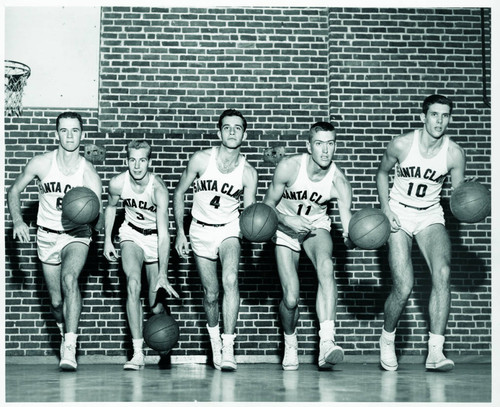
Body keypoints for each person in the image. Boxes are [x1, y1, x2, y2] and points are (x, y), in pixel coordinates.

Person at [376, 94, 467, 372]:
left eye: (445, 115)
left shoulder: (454, 154)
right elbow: (382, 173)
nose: (440, 121)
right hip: (399, 213)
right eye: (434, 114)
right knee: (404, 286)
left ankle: (435, 352)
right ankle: (387, 339)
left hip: (429, 214)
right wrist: (385, 209)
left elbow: (460, 199)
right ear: (423, 117)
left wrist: (469, 207)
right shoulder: (402, 144)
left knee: (443, 273)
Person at [7, 111, 103, 371]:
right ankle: (64, 332)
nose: (70, 135)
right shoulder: (41, 163)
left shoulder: (89, 172)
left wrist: (91, 213)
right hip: (47, 235)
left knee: (70, 279)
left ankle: (70, 346)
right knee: (56, 302)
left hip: (77, 235)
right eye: (64, 130)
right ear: (56, 134)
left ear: (82, 135)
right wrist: (17, 221)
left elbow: (101, 219)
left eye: (75, 130)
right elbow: (13, 190)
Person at [264, 121, 354, 371]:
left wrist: (353, 236)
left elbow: (347, 225)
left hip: (315, 226)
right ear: (308, 146)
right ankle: (290, 341)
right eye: (319, 144)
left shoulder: (339, 182)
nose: (325, 151)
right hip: (284, 227)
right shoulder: (289, 167)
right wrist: (286, 219)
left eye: (330, 144)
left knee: (326, 266)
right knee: (291, 298)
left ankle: (327, 341)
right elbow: (266, 206)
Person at [173, 109, 258, 371]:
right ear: (219, 131)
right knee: (211, 294)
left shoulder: (248, 173)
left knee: (230, 280)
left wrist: (254, 231)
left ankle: (229, 345)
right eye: (227, 127)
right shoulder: (201, 159)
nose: (232, 132)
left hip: (229, 229)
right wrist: (180, 231)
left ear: (244, 134)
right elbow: (179, 193)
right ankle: (214, 343)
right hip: (199, 230)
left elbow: (249, 215)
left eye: (238, 128)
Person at [103, 140, 179, 370]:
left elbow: (165, 235)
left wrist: (163, 274)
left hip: (155, 238)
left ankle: (165, 340)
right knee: (133, 284)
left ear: (150, 162)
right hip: (131, 235)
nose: (137, 166)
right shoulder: (117, 183)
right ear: (127, 160)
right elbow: (110, 207)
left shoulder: (158, 190)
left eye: (142, 160)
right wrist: (107, 239)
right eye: (132, 160)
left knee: (155, 305)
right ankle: (137, 353)